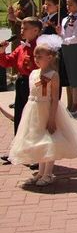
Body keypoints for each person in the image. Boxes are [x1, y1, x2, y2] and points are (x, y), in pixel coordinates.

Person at [9, 34, 77, 187]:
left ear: (50, 57)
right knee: (38, 140)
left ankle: (48, 173)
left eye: (40, 56)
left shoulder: (53, 75)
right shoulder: (34, 73)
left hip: (47, 109)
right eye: (35, 56)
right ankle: (40, 172)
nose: (36, 59)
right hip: (34, 110)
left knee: (50, 140)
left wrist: (52, 118)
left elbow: (54, 98)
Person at [0, 17, 42, 160]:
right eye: (22, 28)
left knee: (33, 120)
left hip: (35, 86)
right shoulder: (21, 47)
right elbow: (8, 62)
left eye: (25, 28)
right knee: (20, 117)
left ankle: (35, 154)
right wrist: (2, 52)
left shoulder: (40, 48)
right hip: (22, 84)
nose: (22, 31)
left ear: (35, 30)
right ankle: (18, 150)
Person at [4, 0, 36, 91]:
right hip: (16, 37)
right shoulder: (15, 4)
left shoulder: (30, 5)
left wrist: (16, 19)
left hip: (25, 38)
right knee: (16, 63)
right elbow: (11, 23)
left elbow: (32, 23)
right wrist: (10, 16)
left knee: (24, 64)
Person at [58, 0, 77, 116]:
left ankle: (75, 105)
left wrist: (64, 40)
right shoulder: (65, 19)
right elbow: (64, 34)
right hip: (65, 48)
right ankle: (69, 104)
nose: (68, 7)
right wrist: (60, 34)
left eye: (71, 5)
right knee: (68, 77)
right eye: (67, 4)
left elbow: (76, 37)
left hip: (74, 49)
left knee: (75, 79)